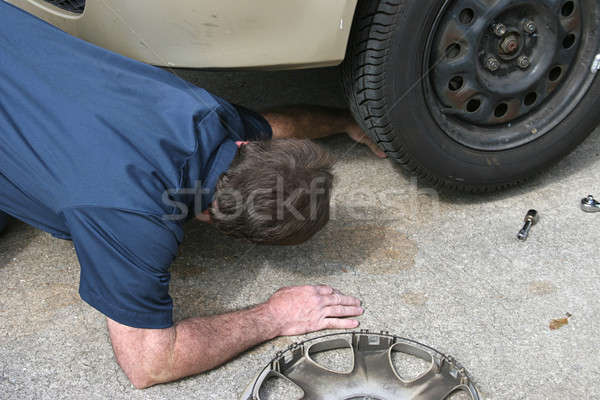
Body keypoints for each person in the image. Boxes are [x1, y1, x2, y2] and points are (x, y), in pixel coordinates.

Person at [0, 2, 385, 388]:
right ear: (215, 219)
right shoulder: (136, 217)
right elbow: (150, 363)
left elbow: (276, 126)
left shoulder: (204, 112)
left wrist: (345, 121)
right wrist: (276, 316)